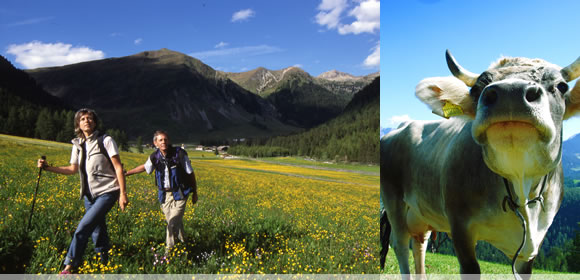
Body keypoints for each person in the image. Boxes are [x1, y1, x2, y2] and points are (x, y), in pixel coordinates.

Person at [37, 108, 128, 274]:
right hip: (89, 195)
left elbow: (118, 168)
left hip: (108, 191)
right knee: (97, 228)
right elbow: (72, 169)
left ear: (95, 122)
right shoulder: (77, 145)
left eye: (90, 118)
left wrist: (123, 193)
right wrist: (48, 168)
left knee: (83, 228)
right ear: (78, 123)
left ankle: (69, 266)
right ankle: (105, 261)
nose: (87, 121)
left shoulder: (105, 140)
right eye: (83, 118)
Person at [125, 130, 197, 252]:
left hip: (180, 192)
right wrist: (127, 173)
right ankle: (185, 242)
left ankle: (169, 253)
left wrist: (195, 192)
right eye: (160, 140)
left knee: (171, 224)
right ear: (155, 143)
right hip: (164, 195)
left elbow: (190, 174)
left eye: (165, 139)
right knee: (174, 221)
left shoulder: (179, 154)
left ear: (168, 141)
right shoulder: (154, 157)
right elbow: (144, 167)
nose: (163, 142)